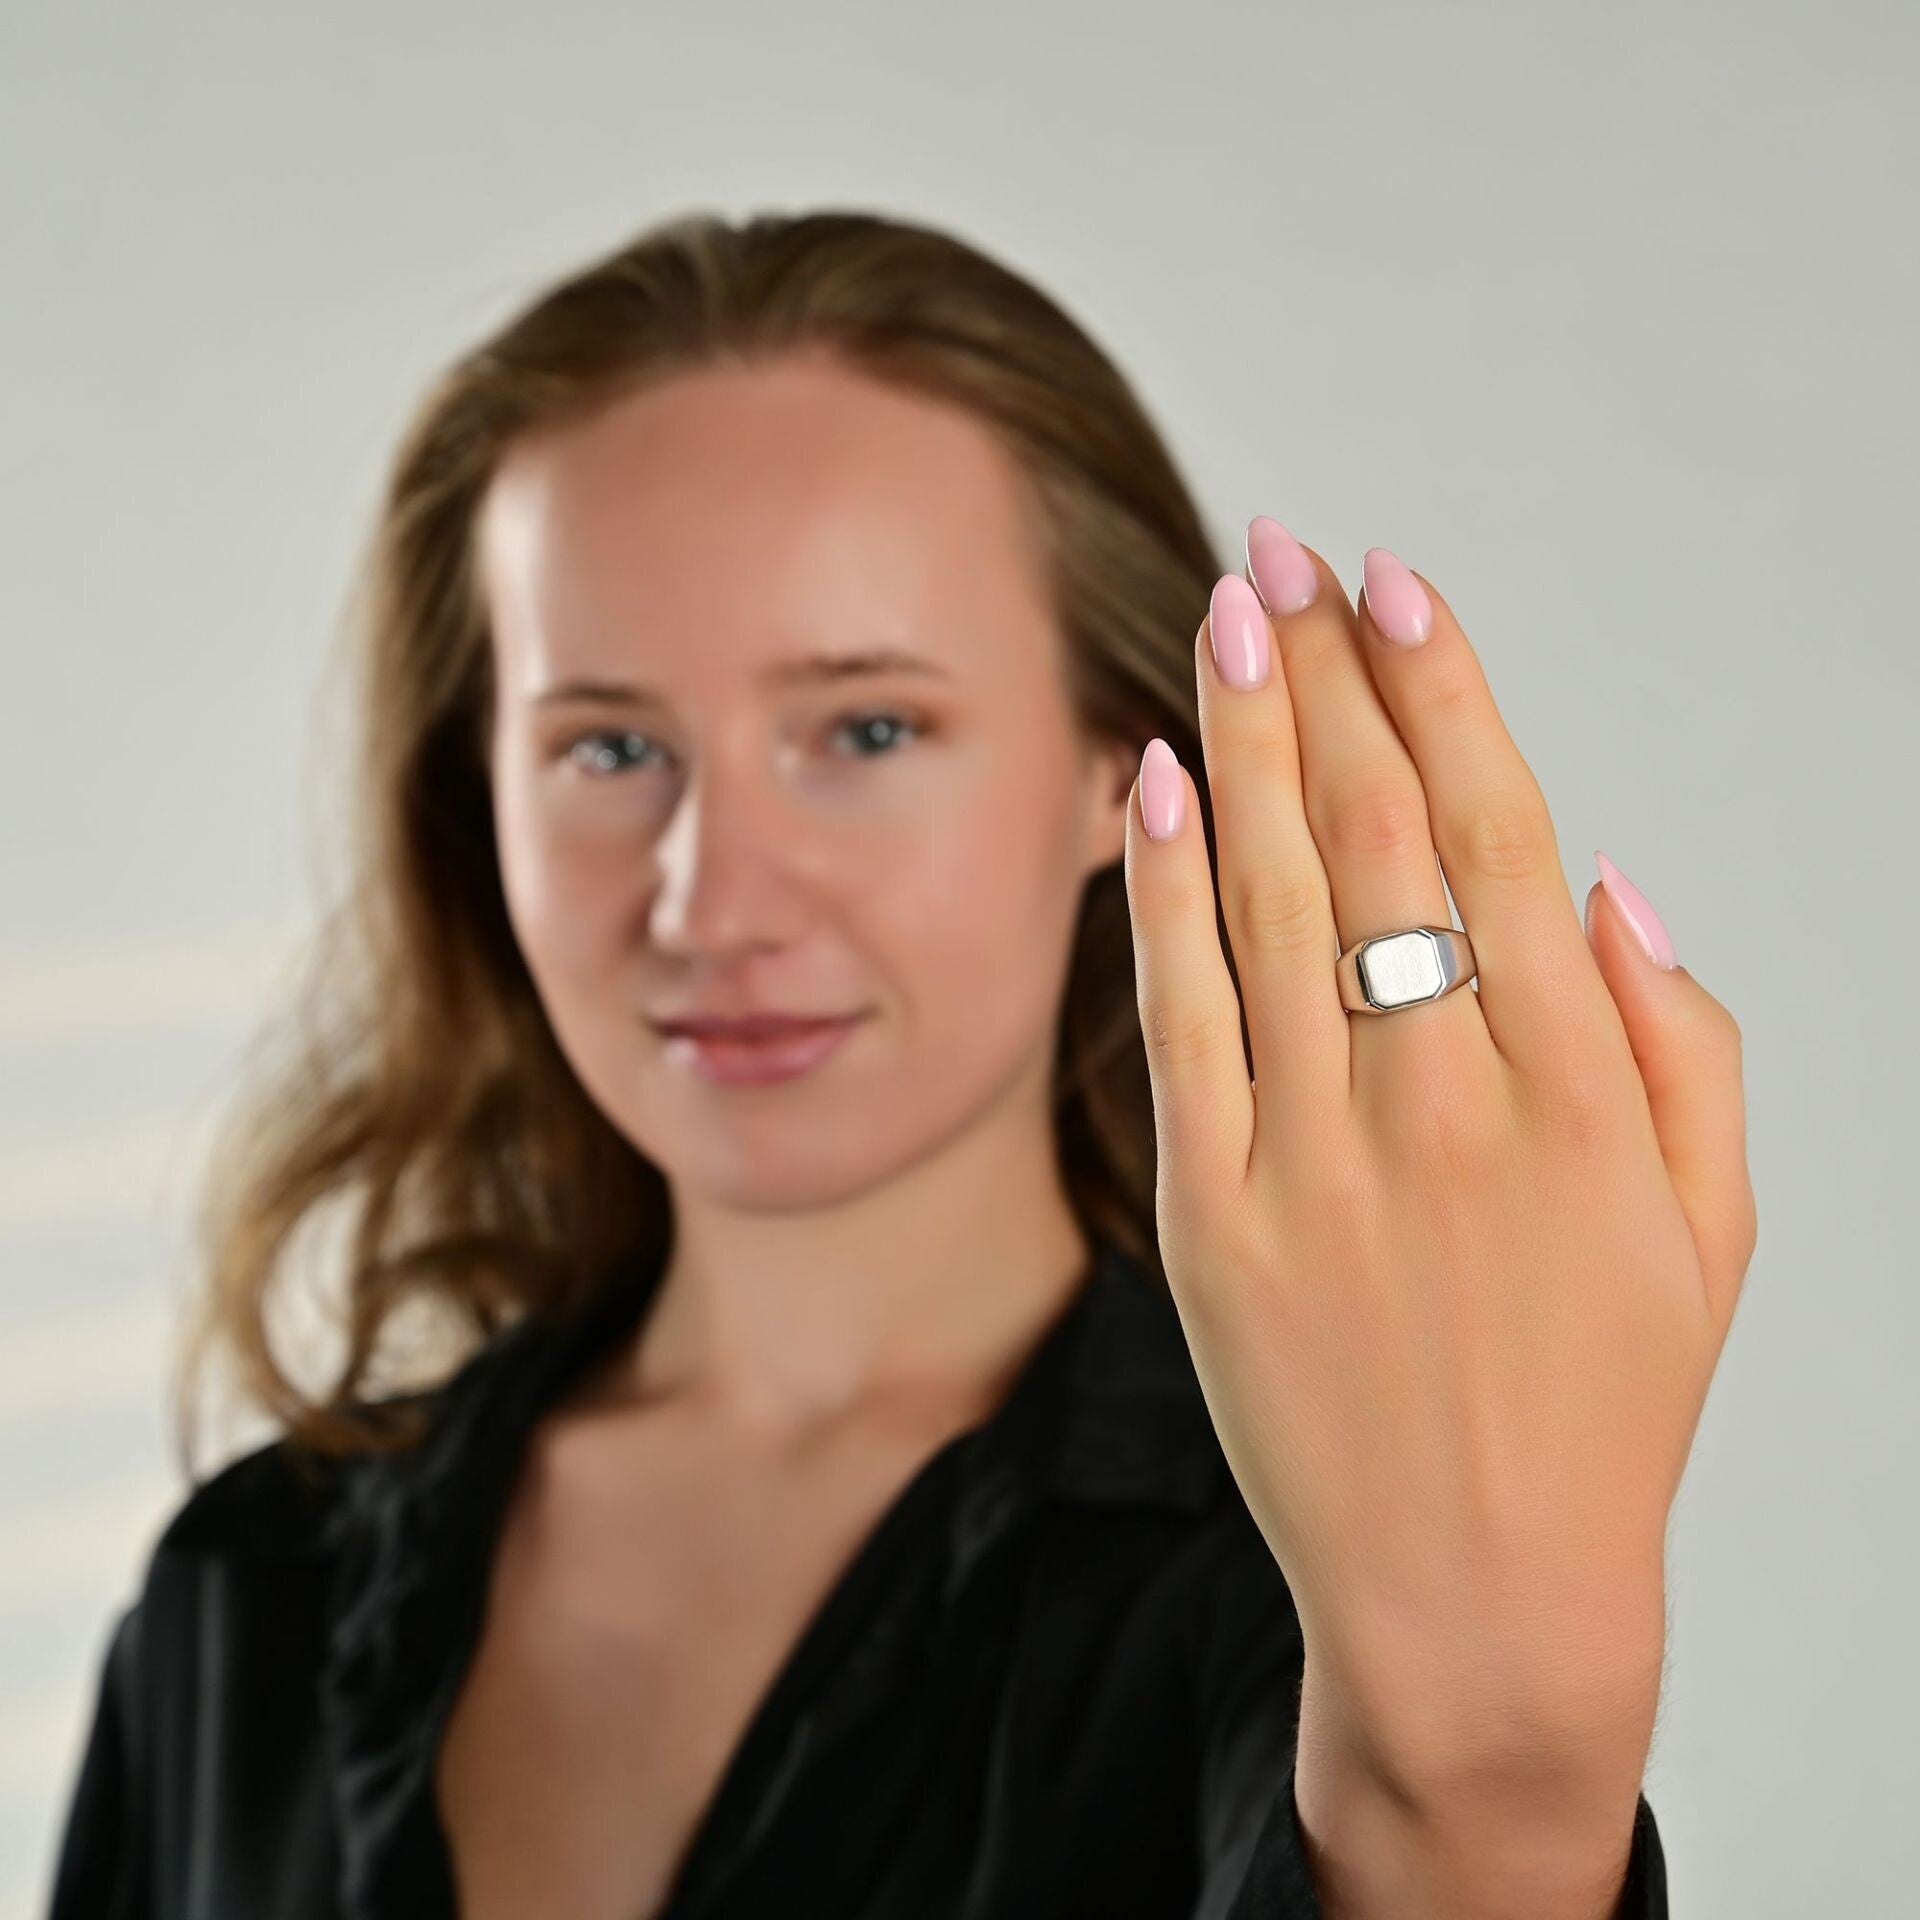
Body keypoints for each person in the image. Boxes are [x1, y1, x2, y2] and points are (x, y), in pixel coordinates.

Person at [43, 207, 1720, 1918]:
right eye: (608, 748)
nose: (713, 900)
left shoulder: (1295, 1592)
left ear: (1118, 767)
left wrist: (1490, 1790)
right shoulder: (246, 1595)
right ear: (475, 795)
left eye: (867, 728)